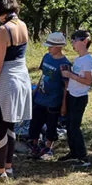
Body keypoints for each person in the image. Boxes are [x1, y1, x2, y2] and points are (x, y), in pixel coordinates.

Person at [0, 0, 33, 181]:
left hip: (7, 80)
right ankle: (9, 167)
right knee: (10, 125)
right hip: (22, 76)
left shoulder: (3, 31)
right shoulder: (23, 25)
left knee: (0, 127)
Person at [28, 32, 71, 160]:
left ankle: (48, 148)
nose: (48, 48)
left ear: (59, 46)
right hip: (40, 97)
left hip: (53, 101)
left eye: (51, 46)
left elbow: (66, 86)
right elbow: (43, 75)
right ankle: (34, 146)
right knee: (35, 123)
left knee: (51, 125)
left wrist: (63, 105)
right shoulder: (46, 57)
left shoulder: (64, 64)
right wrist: (35, 91)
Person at [60, 29, 92, 165]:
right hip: (72, 95)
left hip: (80, 97)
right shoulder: (78, 59)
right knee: (69, 125)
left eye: (75, 40)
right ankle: (73, 152)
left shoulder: (87, 60)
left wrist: (70, 75)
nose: (72, 43)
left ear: (84, 41)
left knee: (75, 127)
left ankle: (83, 157)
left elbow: (88, 81)